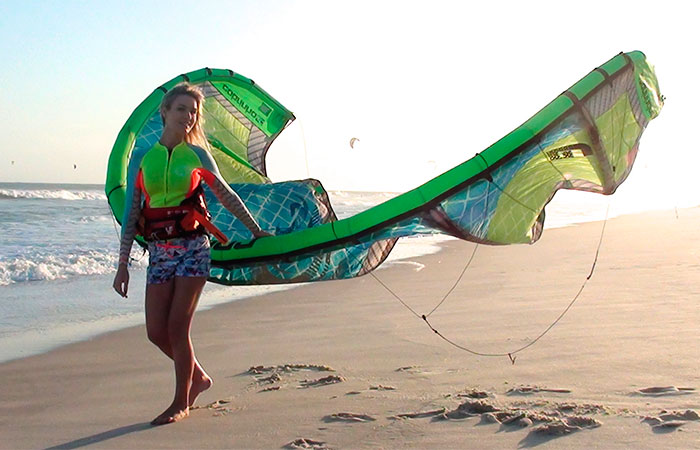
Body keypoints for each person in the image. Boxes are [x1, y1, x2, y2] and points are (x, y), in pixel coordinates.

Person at [112, 83, 269, 426]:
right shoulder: (142, 158)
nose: (188, 116)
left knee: (177, 326)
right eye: (181, 108)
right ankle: (197, 377)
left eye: (193, 111)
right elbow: (131, 212)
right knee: (156, 331)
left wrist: (256, 230)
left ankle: (180, 402)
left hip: (193, 250)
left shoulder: (196, 154)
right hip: (160, 252)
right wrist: (122, 265)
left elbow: (225, 195)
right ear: (165, 112)